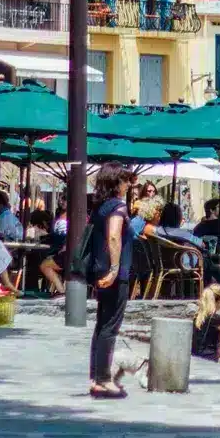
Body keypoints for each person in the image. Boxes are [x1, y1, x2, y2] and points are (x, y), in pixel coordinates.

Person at [82, 165, 139, 399]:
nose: (128, 186)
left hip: (99, 270)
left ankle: (96, 376)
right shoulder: (118, 206)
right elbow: (114, 236)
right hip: (114, 273)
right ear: (116, 183)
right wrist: (115, 268)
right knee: (110, 326)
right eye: (125, 181)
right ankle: (104, 379)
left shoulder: (99, 207)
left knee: (101, 324)